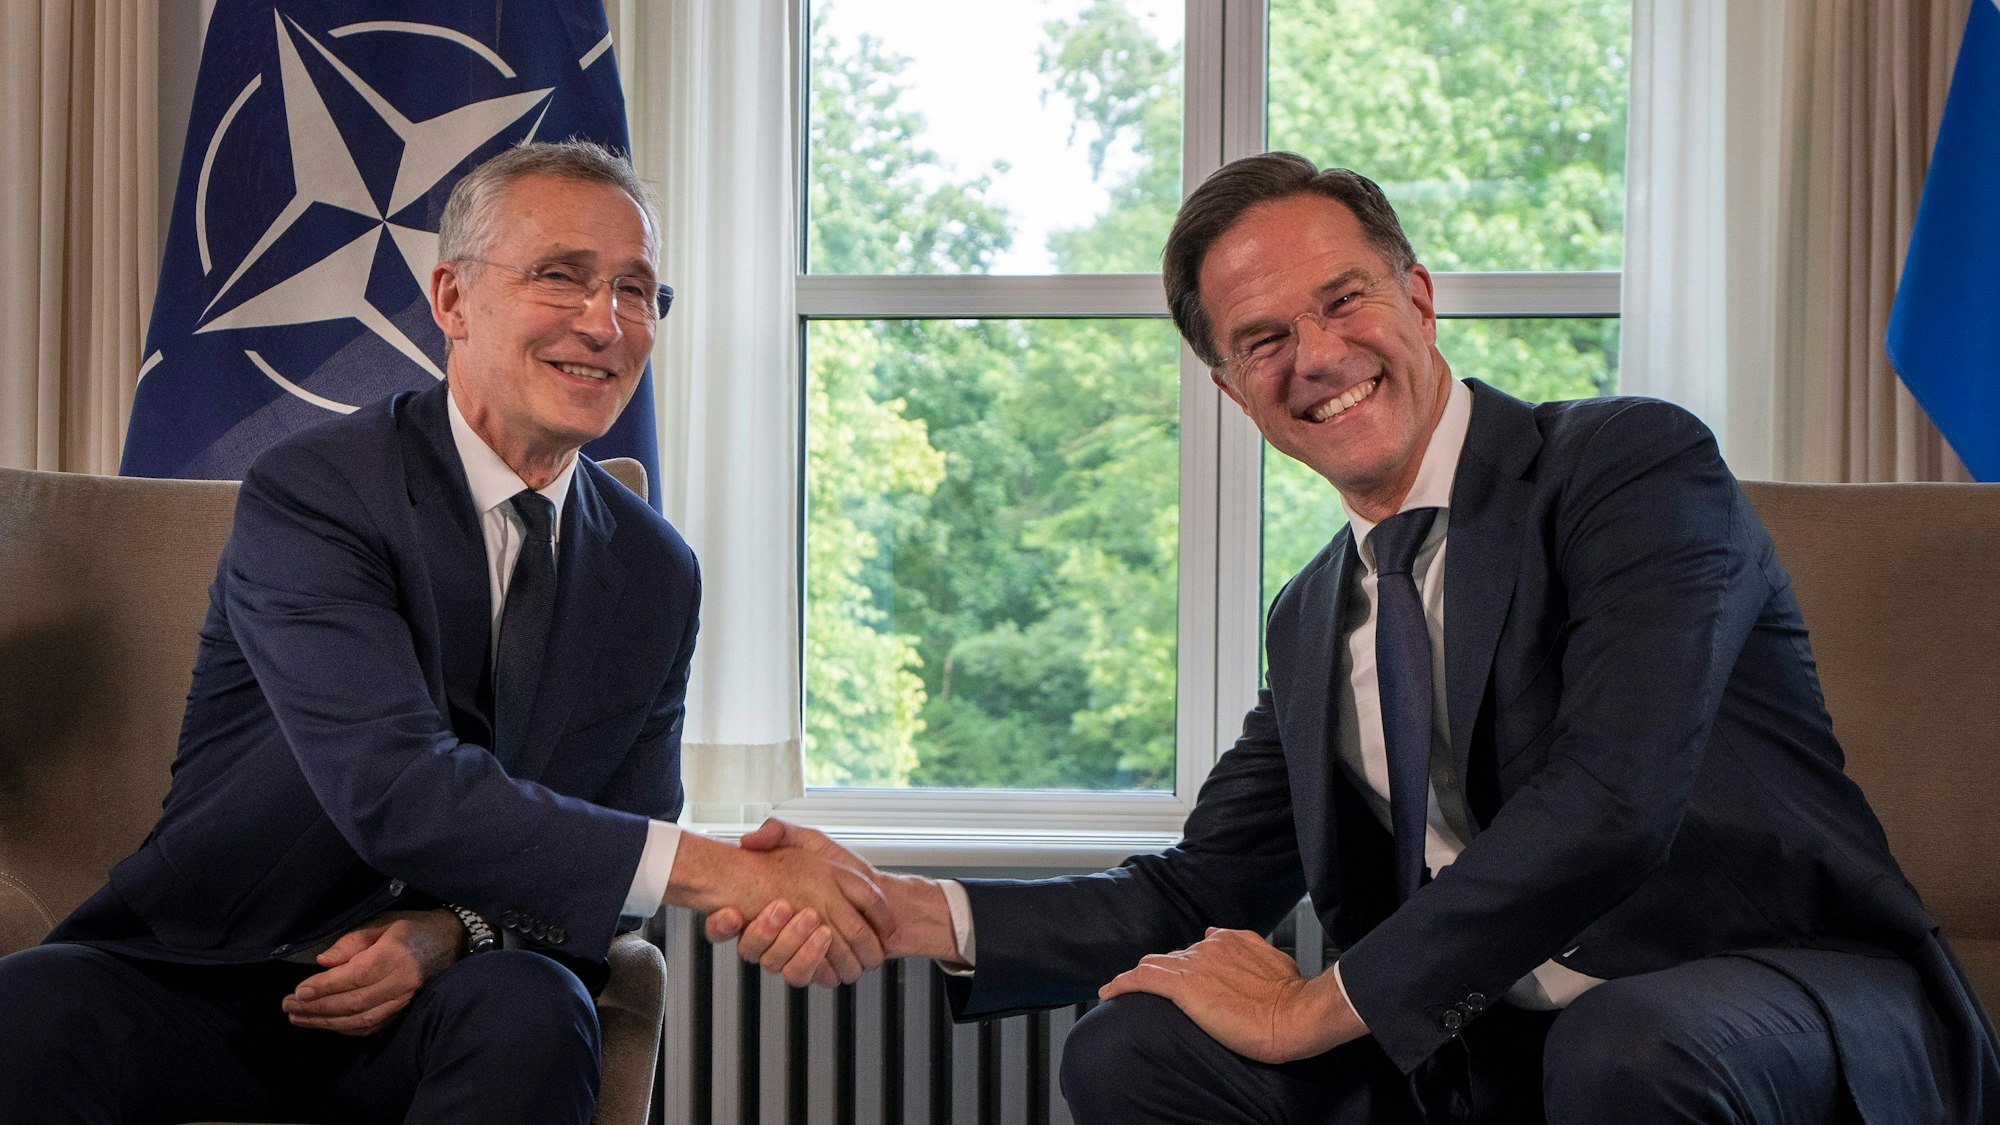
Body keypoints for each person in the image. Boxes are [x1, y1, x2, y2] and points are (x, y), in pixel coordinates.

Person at [710, 153, 2000, 1123]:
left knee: (1629, 1049)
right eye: (1261, 339)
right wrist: (901, 912)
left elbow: (1610, 803)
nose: (1315, 356)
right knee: (1130, 1050)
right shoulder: (1315, 611)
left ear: (1420, 297)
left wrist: (1312, 1009)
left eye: (1342, 302)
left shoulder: (1626, 466)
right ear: (1227, 387)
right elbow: (1195, 893)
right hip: (1486, 1038)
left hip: (1767, 996)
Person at [0, 140, 889, 1124]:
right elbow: (394, 786)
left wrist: (450, 933)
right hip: (201, 976)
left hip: (436, 1007)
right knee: (30, 1010)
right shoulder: (317, 491)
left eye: (637, 291)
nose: (605, 323)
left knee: (534, 1005)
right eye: (562, 277)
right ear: (453, 301)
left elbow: (618, 858)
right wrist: (729, 869)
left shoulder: (653, 570)